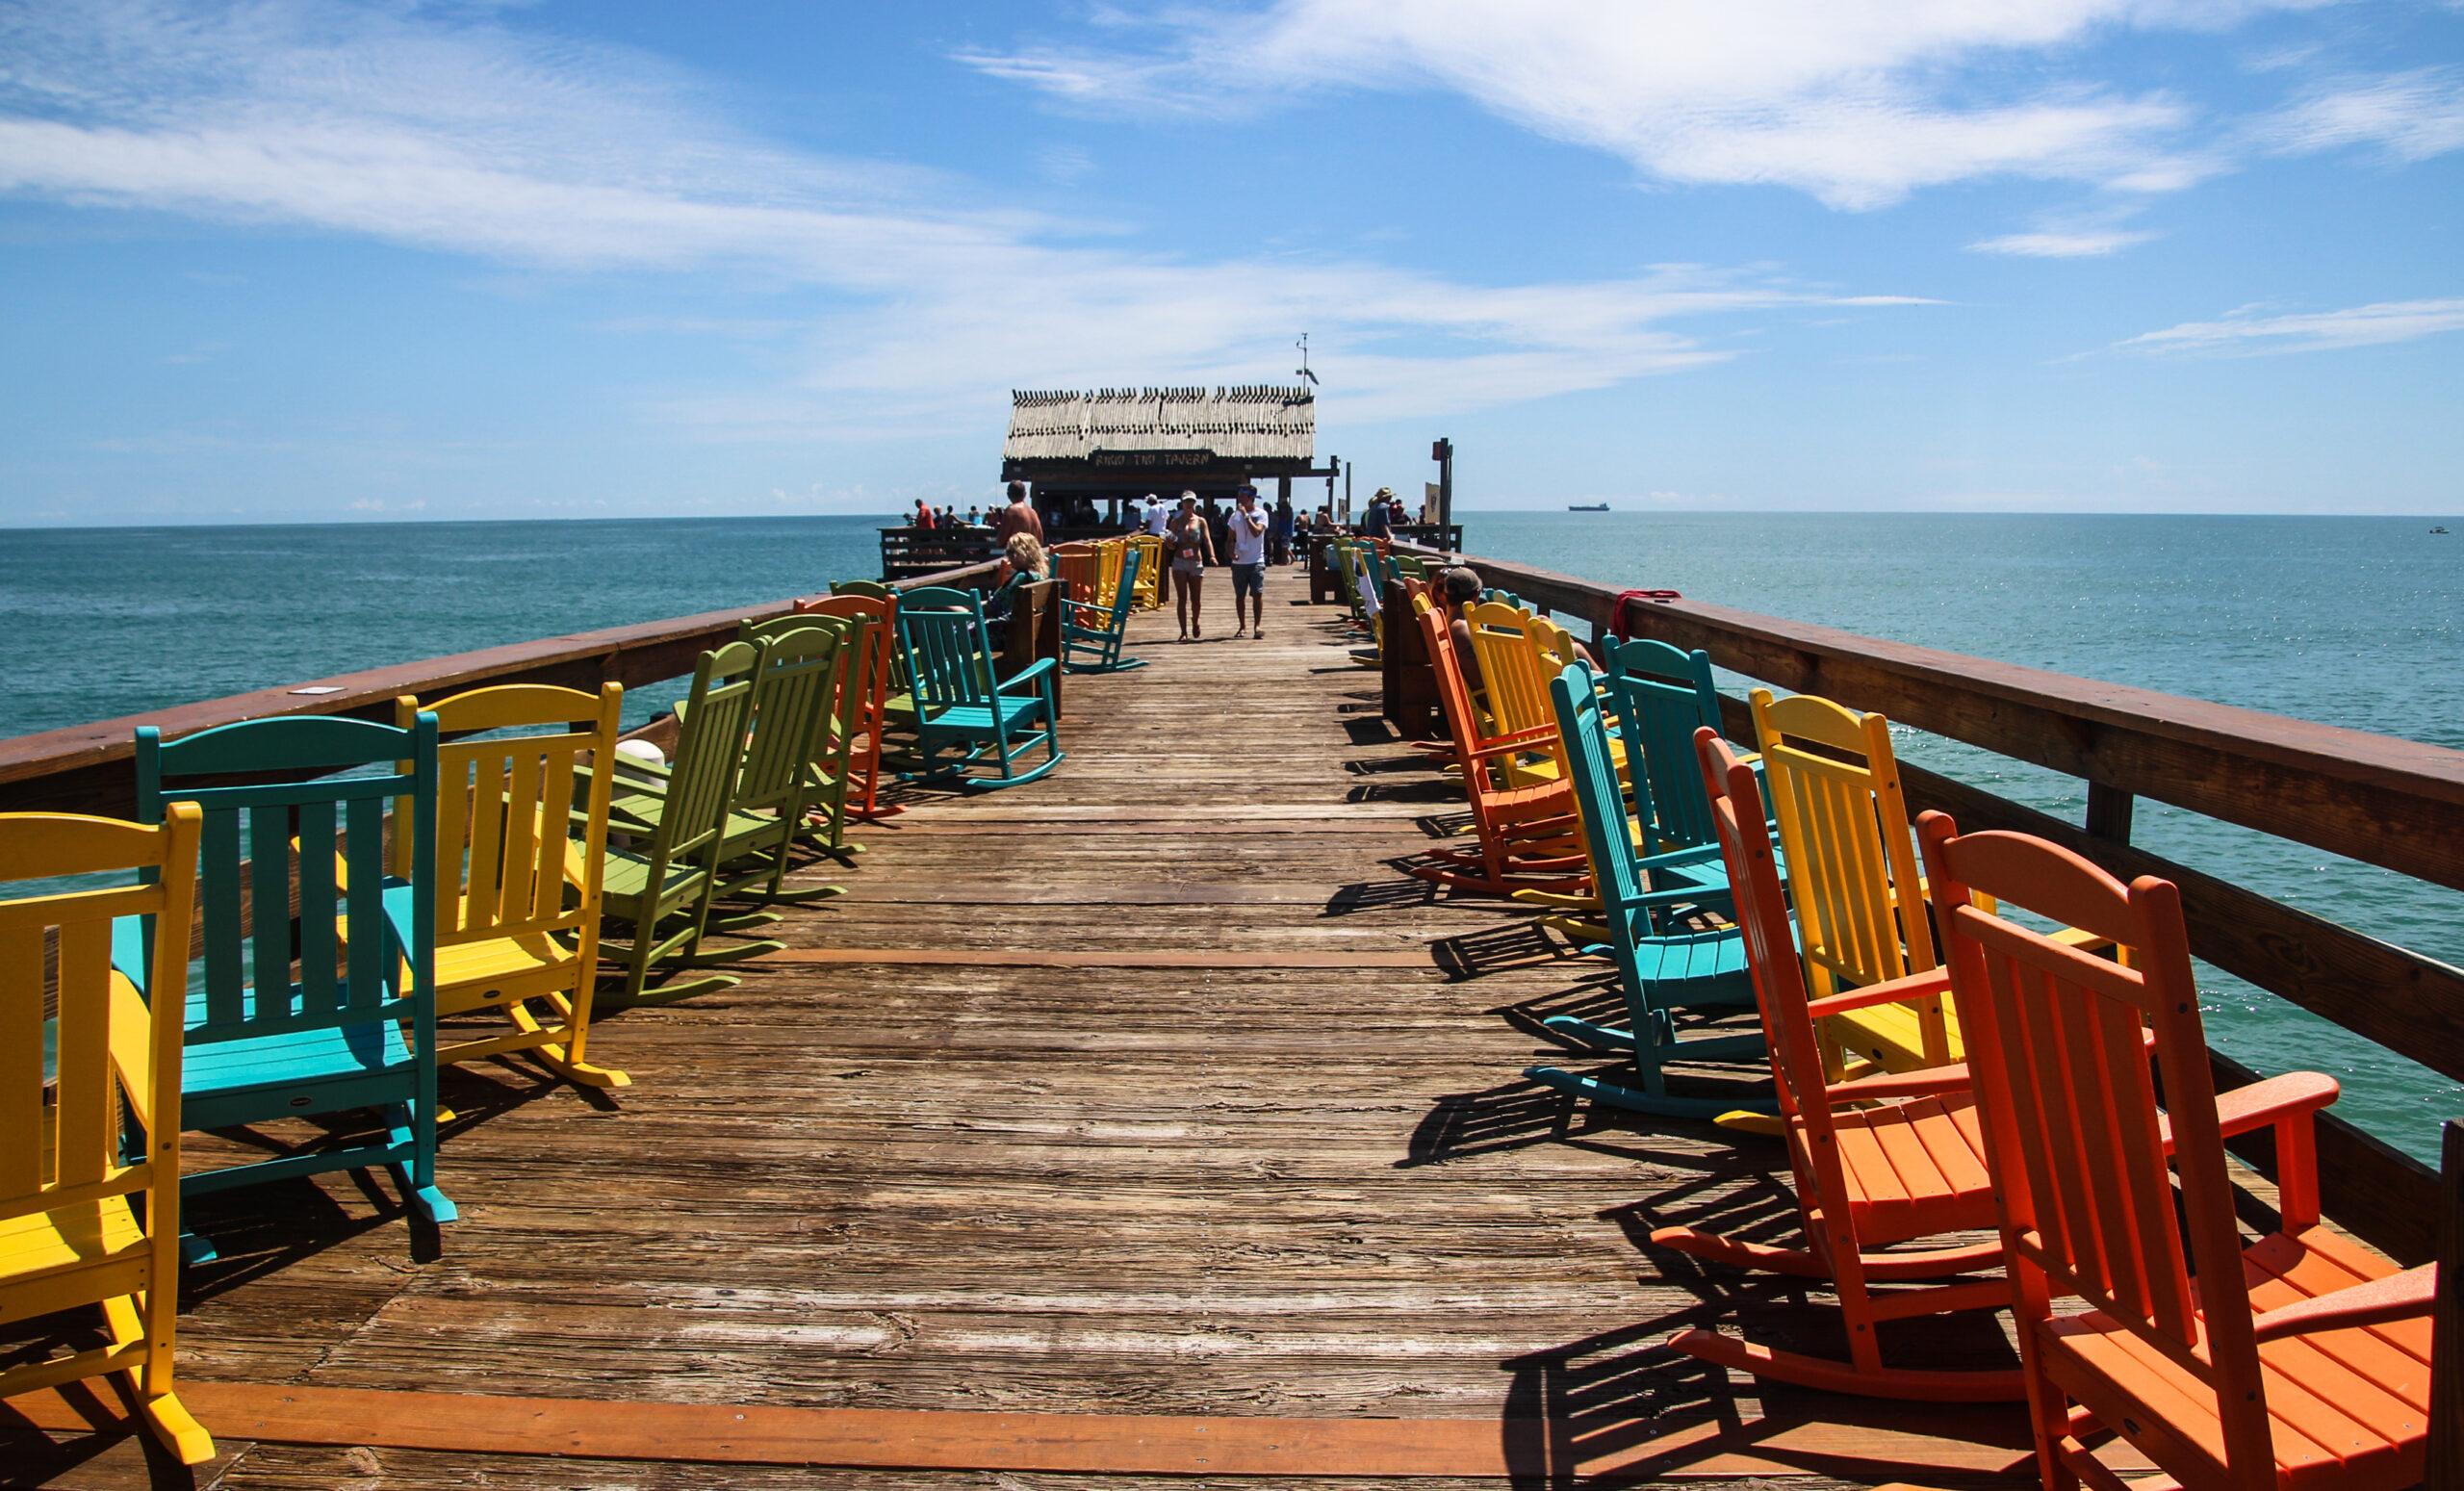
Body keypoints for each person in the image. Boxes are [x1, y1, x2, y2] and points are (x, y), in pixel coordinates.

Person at [1166, 494, 1215, 641]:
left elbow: (1207, 539)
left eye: (1191, 501)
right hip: (1180, 561)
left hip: (1195, 561)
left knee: (1196, 599)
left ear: (1194, 503)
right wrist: (1168, 543)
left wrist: (1212, 555)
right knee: (1182, 598)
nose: (1188, 503)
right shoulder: (1175, 521)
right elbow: (1170, 543)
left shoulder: (1200, 521)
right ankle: (1183, 631)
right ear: (1182, 502)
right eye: (1186, 501)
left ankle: (1195, 621)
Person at [984, 532, 1047, 646]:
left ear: (1023, 553)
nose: (1008, 557)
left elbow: (992, 607)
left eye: (1011, 552)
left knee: (947, 613)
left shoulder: (1022, 578)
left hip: (1000, 633)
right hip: (1018, 630)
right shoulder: (1036, 576)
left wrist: (968, 605)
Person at [1226, 486, 1270, 638]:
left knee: (1257, 593)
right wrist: (1230, 552)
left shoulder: (1261, 514)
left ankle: (1257, 626)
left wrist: (1246, 516)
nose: (1240, 499)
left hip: (1256, 559)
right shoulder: (1234, 516)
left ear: (1251, 498)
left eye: (1243, 497)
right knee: (1240, 595)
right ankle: (1242, 626)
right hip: (1239, 562)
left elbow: (1257, 532)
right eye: (1239, 496)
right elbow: (1230, 538)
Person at [992, 480, 1043, 545]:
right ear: (1025, 494)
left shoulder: (1011, 511)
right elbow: (1040, 541)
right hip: (1032, 553)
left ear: (1008, 495)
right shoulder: (1033, 512)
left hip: (1018, 553)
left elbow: (1000, 542)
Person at [1270, 494, 1295, 565]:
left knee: (1284, 546)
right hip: (1281, 530)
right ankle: (1291, 558)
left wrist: (1279, 514)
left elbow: (1285, 518)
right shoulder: (1283, 510)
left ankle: (1284, 561)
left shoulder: (1289, 509)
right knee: (1284, 545)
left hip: (1286, 530)